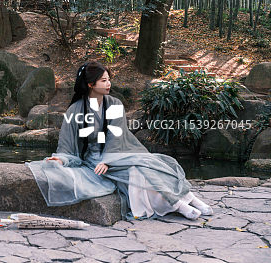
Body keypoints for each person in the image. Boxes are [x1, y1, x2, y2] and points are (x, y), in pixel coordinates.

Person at [25, 61, 213, 220]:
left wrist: (109, 160)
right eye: (103, 80)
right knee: (135, 172)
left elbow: (116, 135)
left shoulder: (114, 104)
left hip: (120, 151)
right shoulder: (75, 110)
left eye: (109, 79)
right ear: (91, 84)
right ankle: (178, 204)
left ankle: (190, 198)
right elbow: (67, 144)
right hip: (94, 159)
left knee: (151, 165)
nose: (109, 84)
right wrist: (62, 159)